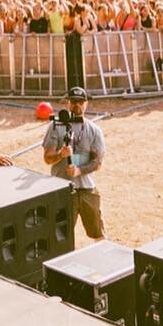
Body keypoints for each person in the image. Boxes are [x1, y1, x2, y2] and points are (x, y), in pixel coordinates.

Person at [43, 84, 107, 240]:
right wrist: (61, 154)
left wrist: (79, 171)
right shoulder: (55, 126)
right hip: (62, 190)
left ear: (86, 104)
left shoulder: (94, 130)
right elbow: (47, 158)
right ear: (67, 103)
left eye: (80, 102)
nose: (77, 105)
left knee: (98, 235)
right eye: (73, 101)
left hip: (86, 189)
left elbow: (98, 162)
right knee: (59, 237)